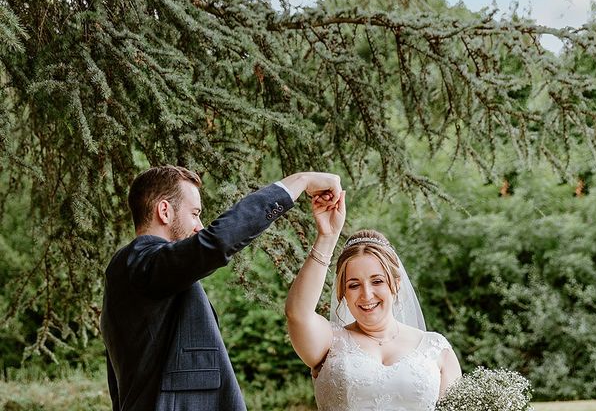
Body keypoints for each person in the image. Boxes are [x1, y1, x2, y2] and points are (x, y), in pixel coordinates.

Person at [100, 165, 342, 411]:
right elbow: (215, 243)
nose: (200, 226)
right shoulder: (140, 263)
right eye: (195, 213)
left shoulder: (131, 274)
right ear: (164, 211)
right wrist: (301, 181)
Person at [285, 192, 462, 411]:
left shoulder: (437, 349)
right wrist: (327, 236)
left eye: (377, 281)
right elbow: (297, 314)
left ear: (396, 284)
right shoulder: (329, 342)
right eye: (353, 285)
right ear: (342, 293)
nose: (367, 295)